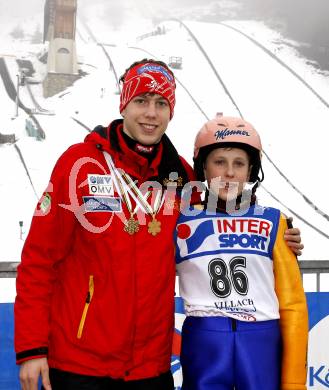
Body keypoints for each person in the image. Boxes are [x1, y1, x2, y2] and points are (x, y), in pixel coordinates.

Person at [14, 60, 303, 390]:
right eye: (141, 101)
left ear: (171, 111)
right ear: (124, 103)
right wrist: (31, 348)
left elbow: (227, 216)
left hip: (150, 367)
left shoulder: (181, 176)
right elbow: (39, 260)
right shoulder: (80, 164)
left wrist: (283, 234)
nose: (151, 113)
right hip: (81, 363)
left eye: (161, 103)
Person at [175, 114, 308, 390]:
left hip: (261, 337)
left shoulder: (275, 221)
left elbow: (293, 303)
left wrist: (294, 381)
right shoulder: (180, 221)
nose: (229, 173)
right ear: (203, 168)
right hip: (204, 337)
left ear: (251, 171)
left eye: (239, 164)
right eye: (219, 162)